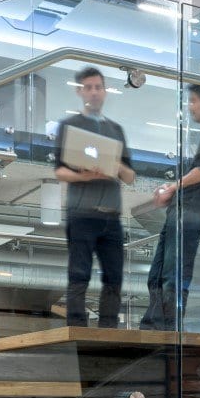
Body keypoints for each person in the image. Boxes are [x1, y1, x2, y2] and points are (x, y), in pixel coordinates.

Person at [143, 84, 200, 330]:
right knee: (158, 274)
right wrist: (173, 191)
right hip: (184, 211)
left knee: (172, 275)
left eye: (194, 101)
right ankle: (155, 325)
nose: (190, 107)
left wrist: (174, 187)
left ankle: (168, 329)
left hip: (193, 212)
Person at [53, 66, 136, 328]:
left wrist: (114, 165)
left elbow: (130, 176)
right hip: (81, 213)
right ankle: (77, 328)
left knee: (114, 277)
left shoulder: (116, 130)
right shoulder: (69, 126)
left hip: (111, 215)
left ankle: (108, 330)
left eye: (98, 87)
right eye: (88, 87)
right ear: (80, 91)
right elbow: (59, 170)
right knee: (79, 274)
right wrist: (84, 176)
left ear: (105, 91)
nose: (94, 92)